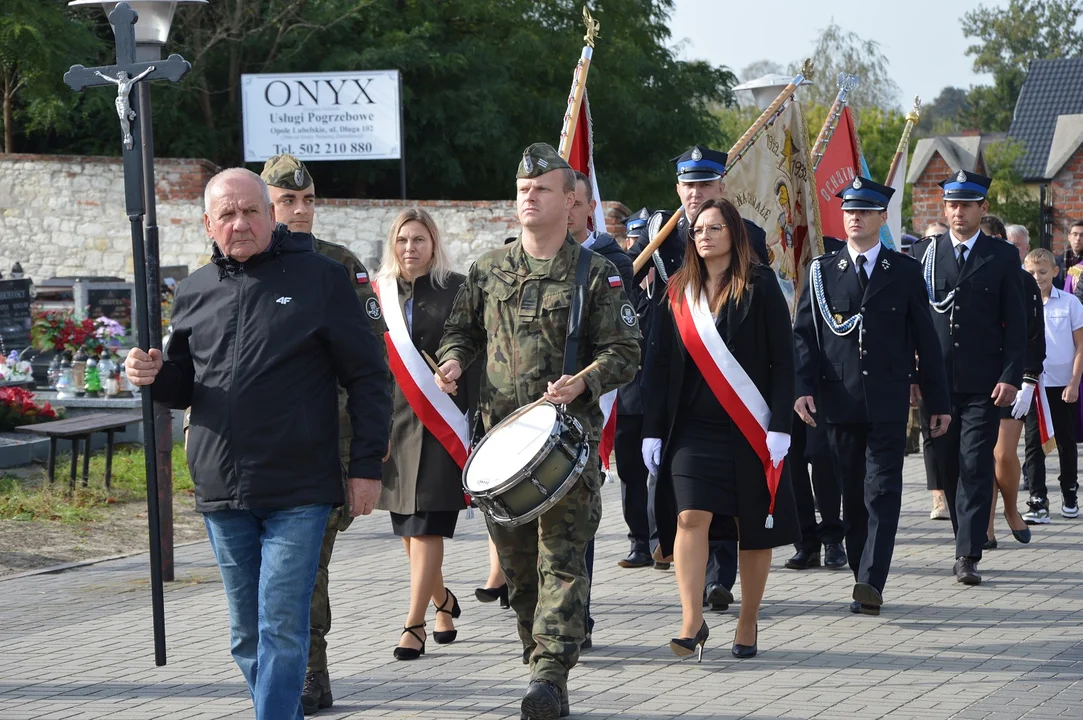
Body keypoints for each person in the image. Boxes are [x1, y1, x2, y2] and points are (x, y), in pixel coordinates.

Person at [124, 168, 390, 720]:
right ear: (208, 223)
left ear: (271, 216)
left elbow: (367, 377)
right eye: (227, 214)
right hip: (223, 489)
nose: (239, 223)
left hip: (299, 487)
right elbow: (182, 384)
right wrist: (151, 375)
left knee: (281, 627)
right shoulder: (194, 291)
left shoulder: (321, 279)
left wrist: (366, 466)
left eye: (250, 211)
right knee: (246, 635)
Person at [434, 143, 639, 720]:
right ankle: (538, 662)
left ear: (570, 200)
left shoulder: (595, 274)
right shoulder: (488, 270)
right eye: (523, 189)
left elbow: (625, 352)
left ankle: (550, 677)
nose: (530, 197)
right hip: (501, 451)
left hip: (566, 449)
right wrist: (451, 361)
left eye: (542, 189)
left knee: (563, 564)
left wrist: (584, 382)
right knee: (521, 573)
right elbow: (461, 331)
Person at [258, 154, 389, 715]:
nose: (303, 210)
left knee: (308, 565)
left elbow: (371, 362)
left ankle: (312, 672)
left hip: (325, 446)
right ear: (266, 207)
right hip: (257, 447)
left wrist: (368, 446)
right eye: (289, 201)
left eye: (309, 200)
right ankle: (279, 667)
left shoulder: (339, 267)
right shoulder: (240, 265)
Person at [641, 197, 799, 661]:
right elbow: (659, 363)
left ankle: (747, 620)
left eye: (713, 228)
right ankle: (692, 620)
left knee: (752, 526)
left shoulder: (761, 284)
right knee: (689, 517)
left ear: (734, 233)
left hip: (750, 428)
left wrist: (781, 426)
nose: (703, 236)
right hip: (692, 429)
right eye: (697, 230)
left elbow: (783, 360)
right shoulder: (677, 291)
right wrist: (653, 429)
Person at [794, 177, 951, 614]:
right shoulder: (823, 271)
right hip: (839, 402)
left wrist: (938, 402)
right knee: (853, 495)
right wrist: (801, 389)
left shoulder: (903, 271)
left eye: (864, 211)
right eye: (849, 211)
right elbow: (805, 337)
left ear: (882, 218)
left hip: (886, 400)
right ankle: (861, 570)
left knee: (882, 490)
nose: (855, 218)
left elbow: (926, 340)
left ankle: (872, 580)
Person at [628, 145, 759, 613]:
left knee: (721, 491)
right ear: (677, 189)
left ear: (721, 187)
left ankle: (720, 576)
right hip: (673, 371)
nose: (696, 192)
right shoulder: (655, 238)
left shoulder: (749, 236)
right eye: (688, 184)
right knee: (683, 495)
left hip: (726, 378)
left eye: (705, 184)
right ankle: (684, 564)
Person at [373, 208, 479, 660]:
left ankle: (412, 624)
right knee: (406, 528)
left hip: (441, 422)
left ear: (433, 244)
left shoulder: (455, 289)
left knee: (428, 524)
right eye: (402, 240)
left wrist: (459, 374)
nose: (410, 248)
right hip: (394, 422)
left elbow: (476, 343)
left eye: (418, 240)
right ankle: (443, 602)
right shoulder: (378, 295)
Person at [911, 171, 1026, 585]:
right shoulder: (925, 253)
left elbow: (1017, 322)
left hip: (984, 382)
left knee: (975, 463)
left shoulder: (1001, 257)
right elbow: (912, 320)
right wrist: (911, 374)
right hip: (936, 381)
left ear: (983, 209)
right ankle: (965, 535)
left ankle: (967, 554)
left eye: (966, 205)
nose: (957, 213)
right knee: (948, 467)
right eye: (951, 205)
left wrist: (1013, 375)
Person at [568, 170, 635, 647]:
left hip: (584, 405)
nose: (562, 209)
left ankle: (577, 617)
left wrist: (585, 380)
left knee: (576, 517)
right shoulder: (519, 260)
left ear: (587, 206)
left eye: (572, 201)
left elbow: (621, 348)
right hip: (533, 408)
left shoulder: (609, 264)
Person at [786, 233, 846, 572]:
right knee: (791, 465)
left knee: (823, 460)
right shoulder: (768, 260)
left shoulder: (830, 252)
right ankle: (805, 541)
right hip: (778, 381)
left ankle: (834, 538)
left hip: (818, 383)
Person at [979, 216, 1040, 550]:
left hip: (1014, 378)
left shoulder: (1023, 282)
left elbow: (1032, 336)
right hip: (978, 379)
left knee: (1003, 454)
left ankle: (1011, 509)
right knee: (980, 459)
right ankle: (984, 527)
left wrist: (1028, 380)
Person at [1022, 248, 1083, 523]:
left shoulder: (1070, 303)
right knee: (1034, 443)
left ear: (1055, 272)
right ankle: (1038, 499)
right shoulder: (1021, 303)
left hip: (1063, 386)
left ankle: (1069, 492)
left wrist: (1074, 382)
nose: (1037, 277)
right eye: (1032, 272)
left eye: (1043, 272)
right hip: (1035, 385)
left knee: (1066, 441)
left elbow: (1080, 345)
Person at [921, 220, 952, 520]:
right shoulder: (917, 271)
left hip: (957, 368)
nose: (933, 245)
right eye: (928, 240)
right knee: (930, 434)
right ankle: (938, 496)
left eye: (938, 240)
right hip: (927, 368)